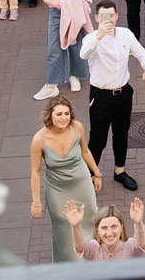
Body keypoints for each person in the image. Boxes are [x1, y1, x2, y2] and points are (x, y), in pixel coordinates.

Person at [79, 3, 145, 193]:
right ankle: (90, 174)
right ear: (97, 18)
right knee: (98, 139)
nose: (109, 20)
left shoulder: (125, 34)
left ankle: (119, 171)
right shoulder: (91, 38)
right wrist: (99, 35)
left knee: (121, 134)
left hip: (123, 93)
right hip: (101, 96)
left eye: (111, 16)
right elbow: (84, 54)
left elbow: (142, 52)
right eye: (104, 17)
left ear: (117, 16)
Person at [28, 96, 100, 264]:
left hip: (81, 182)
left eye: (67, 113)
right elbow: (35, 172)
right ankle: (67, 263)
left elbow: (85, 151)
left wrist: (97, 174)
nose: (63, 118)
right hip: (56, 187)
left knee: (90, 217)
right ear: (50, 116)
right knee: (63, 225)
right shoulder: (39, 139)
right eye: (59, 114)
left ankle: (92, 257)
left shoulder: (77, 128)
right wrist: (36, 201)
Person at [34, 0, 89, 102]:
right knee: (54, 47)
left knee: (75, 44)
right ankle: (51, 84)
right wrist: (56, 3)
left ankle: (74, 76)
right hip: (56, 13)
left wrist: (69, 0)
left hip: (73, 11)